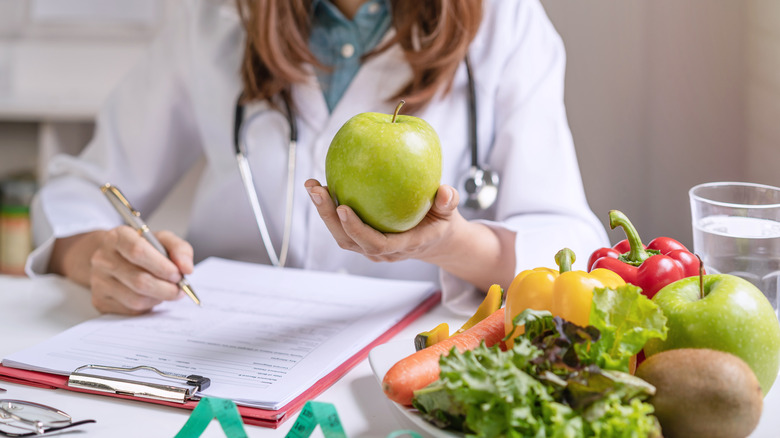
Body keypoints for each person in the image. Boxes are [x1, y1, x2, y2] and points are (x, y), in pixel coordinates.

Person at [26, 0, 609, 315]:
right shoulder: (214, 18)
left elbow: (568, 240)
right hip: (223, 361)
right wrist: (94, 254)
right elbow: (81, 191)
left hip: (406, 366)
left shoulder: (506, 21)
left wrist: (446, 243)